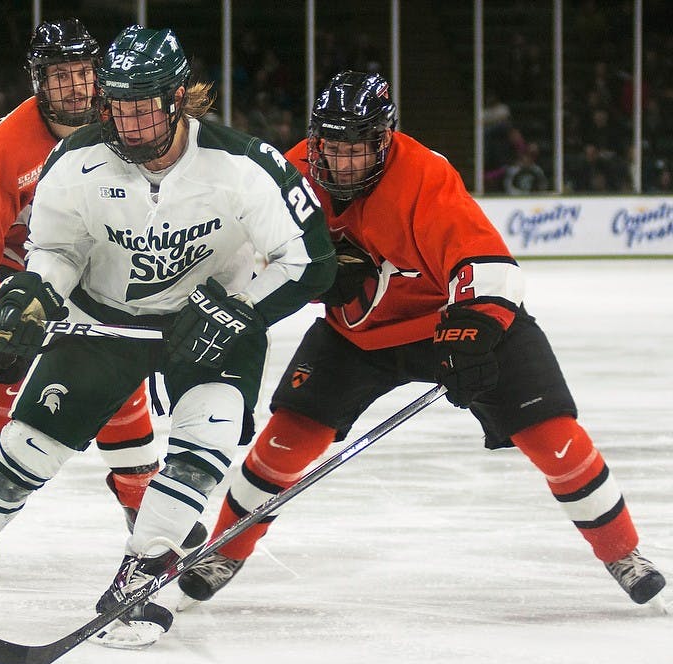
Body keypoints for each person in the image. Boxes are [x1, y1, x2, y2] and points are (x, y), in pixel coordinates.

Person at [0, 24, 335, 648]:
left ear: (178, 99)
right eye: (118, 107)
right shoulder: (77, 159)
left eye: (143, 109)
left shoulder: (243, 164)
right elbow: (54, 248)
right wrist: (30, 297)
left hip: (215, 326)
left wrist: (236, 309)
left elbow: (307, 259)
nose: (129, 125)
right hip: (106, 317)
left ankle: (142, 571)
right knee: (25, 448)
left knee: (198, 456)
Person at [177, 70, 667, 610]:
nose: (342, 164)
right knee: (286, 438)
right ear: (314, 140)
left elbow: (484, 262)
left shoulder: (423, 176)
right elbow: (252, 253)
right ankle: (224, 550)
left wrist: (470, 334)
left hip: (452, 320)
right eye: (332, 149)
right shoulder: (289, 174)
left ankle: (623, 551)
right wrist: (315, 276)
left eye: (358, 150)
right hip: (357, 333)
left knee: (554, 436)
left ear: (384, 140)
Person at [0, 19, 205, 579]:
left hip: (101, 277)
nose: (78, 87)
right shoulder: (7, 144)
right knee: (0, 374)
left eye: (85, 73)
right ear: (39, 81)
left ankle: (139, 499)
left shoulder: (125, 125)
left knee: (115, 375)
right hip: (27, 276)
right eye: (62, 76)